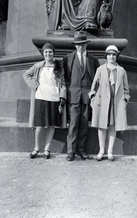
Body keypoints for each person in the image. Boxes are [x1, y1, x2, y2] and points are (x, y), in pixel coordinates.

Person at [23, 43, 67, 159]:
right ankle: (36, 148)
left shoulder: (58, 67)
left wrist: (62, 98)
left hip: (54, 98)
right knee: (40, 125)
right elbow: (26, 75)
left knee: (51, 124)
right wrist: (36, 85)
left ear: (53, 53)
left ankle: (47, 148)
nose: (48, 54)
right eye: (46, 52)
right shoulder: (38, 66)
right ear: (43, 53)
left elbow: (62, 84)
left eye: (50, 52)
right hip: (41, 98)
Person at [89, 45, 130, 161]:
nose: (111, 57)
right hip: (102, 102)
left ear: (117, 56)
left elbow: (126, 88)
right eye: (109, 54)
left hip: (116, 102)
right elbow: (94, 86)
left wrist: (125, 99)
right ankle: (101, 151)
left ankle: (110, 151)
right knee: (102, 126)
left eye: (114, 55)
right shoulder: (100, 69)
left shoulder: (121, 71)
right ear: (106, 56)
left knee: (113, 126)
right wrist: (93, 98)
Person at [63, 31, 100, 161]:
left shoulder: (93, 60)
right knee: (73, 124)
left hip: (87, 96)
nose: (80, 47)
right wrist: (68, 91)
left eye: (82, 44)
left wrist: (93, 93)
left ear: (86, 44)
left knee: (84, 124)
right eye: (78, 44)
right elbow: (65, 77)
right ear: (75, 45)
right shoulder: (68, 58)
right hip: (73, 96)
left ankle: (81, 150)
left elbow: (97, 78)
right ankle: (70, 151)